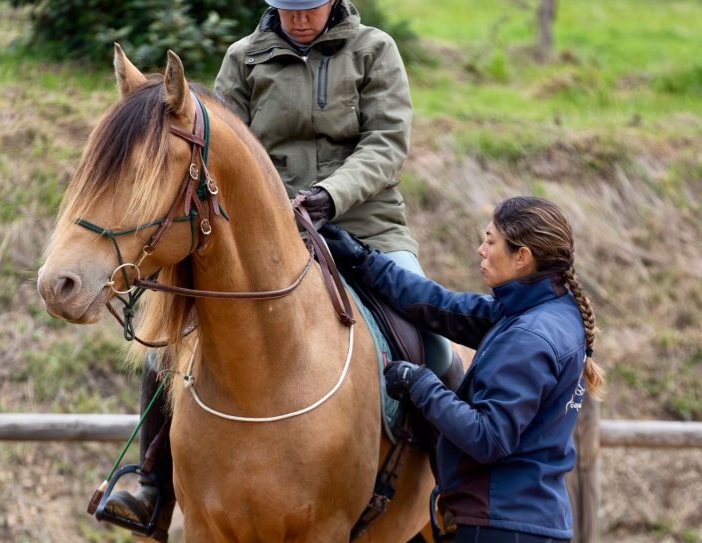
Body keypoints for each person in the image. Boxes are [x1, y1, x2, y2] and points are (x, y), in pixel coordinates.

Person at [103, 0, 461, 537]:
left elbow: (385, 145)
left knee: (430, 340)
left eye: (309, 7)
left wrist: (329, 195)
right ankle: (151, 484)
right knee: (170, 340)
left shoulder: (374, 52)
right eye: (287, 8)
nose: (298, 18)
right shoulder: (243, 59)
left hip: (366, 225)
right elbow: (220, 150)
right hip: (265, 236)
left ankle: (453, 488)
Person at [321, 196, 605, 543]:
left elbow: (487, 438)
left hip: (499, 528)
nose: (480, 249)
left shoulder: (529, 337)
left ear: (522, 257)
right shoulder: (544, 314)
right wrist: (366, 262)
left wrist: (420, 382)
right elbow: (445, 307)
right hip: (524, 521)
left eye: (490, 240)